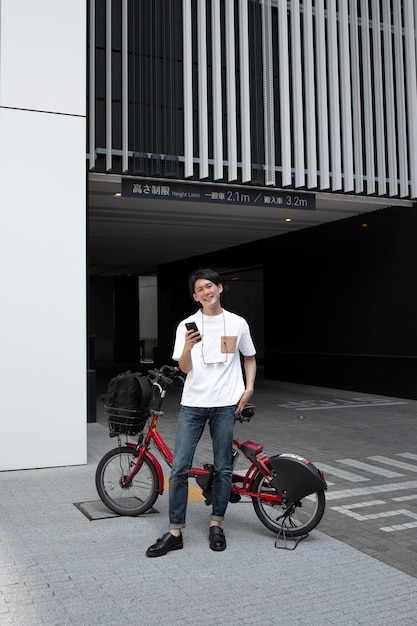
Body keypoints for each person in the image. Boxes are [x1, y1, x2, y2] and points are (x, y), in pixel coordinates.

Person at [146, 268, 256, 557]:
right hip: (192, 404)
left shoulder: (237, 322)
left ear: (219, 288)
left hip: (225, 405)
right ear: (195, 297)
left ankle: (216, 525)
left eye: (210, 286)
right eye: (200, 290)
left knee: (223, 467)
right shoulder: (187, 325)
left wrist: (249, 388)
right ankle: (174, 532)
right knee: (179, 467)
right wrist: (187, 347)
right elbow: (184, 368)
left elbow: (249, 357)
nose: (206, 292)